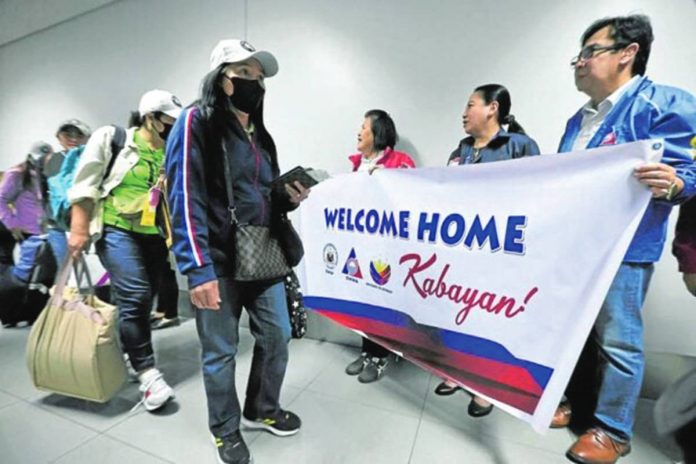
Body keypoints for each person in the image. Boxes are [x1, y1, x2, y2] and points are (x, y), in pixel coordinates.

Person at [553, 15, 696, 464]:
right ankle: (569, 401)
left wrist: (676, 184)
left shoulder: (665, 104)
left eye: (590, 51)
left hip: (625, 249)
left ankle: (613, 431)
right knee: (570, 330)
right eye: (578, 54)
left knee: (618, 340)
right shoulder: (579, 120)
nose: (579, 62)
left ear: (627, 53)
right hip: (576, 247)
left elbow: (689, 172)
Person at [166, 39, 309, 464]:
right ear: (222, 81)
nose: (255, 83)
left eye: (259, 76)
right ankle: (225, 429)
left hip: (262, 255)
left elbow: (260, 196)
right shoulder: (197, 121)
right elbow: (183, 196)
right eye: (244, 74)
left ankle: (261, 408)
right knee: (220, 352)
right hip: (218, 262)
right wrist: (197, 270)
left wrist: (285, 196)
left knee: (278, 335)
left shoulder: (259, 135)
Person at [67, 89, 183, 412]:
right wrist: (78, 229)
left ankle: (127, 355)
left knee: (137, 298)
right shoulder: (113, 138)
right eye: (169, 122)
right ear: (151, 118)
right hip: (116, 228)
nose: (174, 128)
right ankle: (148, 374)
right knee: (136, 295)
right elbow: (85, 183)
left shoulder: (171, 152)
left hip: (154, 233)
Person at [434, 84, 540, 416]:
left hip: (498, 253)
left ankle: (486, 389)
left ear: (492, 108)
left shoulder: (520, 146)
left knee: (491, 320)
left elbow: (539, 194)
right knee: (456, 313)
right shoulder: (460, 150)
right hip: (459, 251)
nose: (463, 113)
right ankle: (455, 373)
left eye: (470, 105)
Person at [344, 109, 415, 384]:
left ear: (378, 133)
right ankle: (365, 352)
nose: (359, 132)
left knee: (382, 303)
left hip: (387, 250)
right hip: (360, 248)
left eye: (364, 127)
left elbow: (414, 196)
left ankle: (381, 357)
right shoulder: (356, 165)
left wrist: (389, 179)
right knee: (363, 305)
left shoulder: (400, 162)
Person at [42, 119, 91, 265]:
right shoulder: (51, 159)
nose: (74, 139)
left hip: (86, 223)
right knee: (65, 269)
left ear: (88, 138)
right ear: (59, 137)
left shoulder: (92, 160)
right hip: (56, 224)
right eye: (68, 134)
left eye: (79, 135)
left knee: (91, 273)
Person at [0, 141, 52, 265]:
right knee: (8, 267)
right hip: (18, 231)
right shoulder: (17, 174)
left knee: (37, 270)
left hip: (38, 232)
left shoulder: (45, 175)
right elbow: (1, 200)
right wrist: (12, 224)